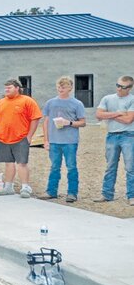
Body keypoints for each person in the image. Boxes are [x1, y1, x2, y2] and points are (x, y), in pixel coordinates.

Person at [0, 79, 42, 198]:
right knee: (8, 163)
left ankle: (25, 187)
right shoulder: (0, 102)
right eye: (6, 88)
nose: (7, 90)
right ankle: (8, 187)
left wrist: (29, 136)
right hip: (2, 139)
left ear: (17, 88)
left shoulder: (27, 101)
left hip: (21, 138)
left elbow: (36, 118)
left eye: (10, 87)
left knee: (22, 163)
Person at [37, 77, 86, 203]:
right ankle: (51, 191)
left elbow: (82, 122)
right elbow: (46, 122)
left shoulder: (77, 104)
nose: (60, 89)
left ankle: (72, 193)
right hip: (54, 141)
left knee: (71, 167)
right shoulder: (50, 103)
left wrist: (68, 122)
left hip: (70, 141)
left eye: (63, 87)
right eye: (59, 87)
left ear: (70, 88)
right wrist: (46, 140)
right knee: (54, 167)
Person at [94, 75, 134, 205]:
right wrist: (119, 113)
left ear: (129, 88)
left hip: (129, 135)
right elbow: (98, 115)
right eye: (117, 85)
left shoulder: (132, 99)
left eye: (122, 87)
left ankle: (131, 196)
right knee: (110, 166)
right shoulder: (107, 98)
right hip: (111, 135)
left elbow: (129, 120)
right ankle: (107, 194)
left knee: (130, 167)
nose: (118, 89)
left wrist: (109, 115)